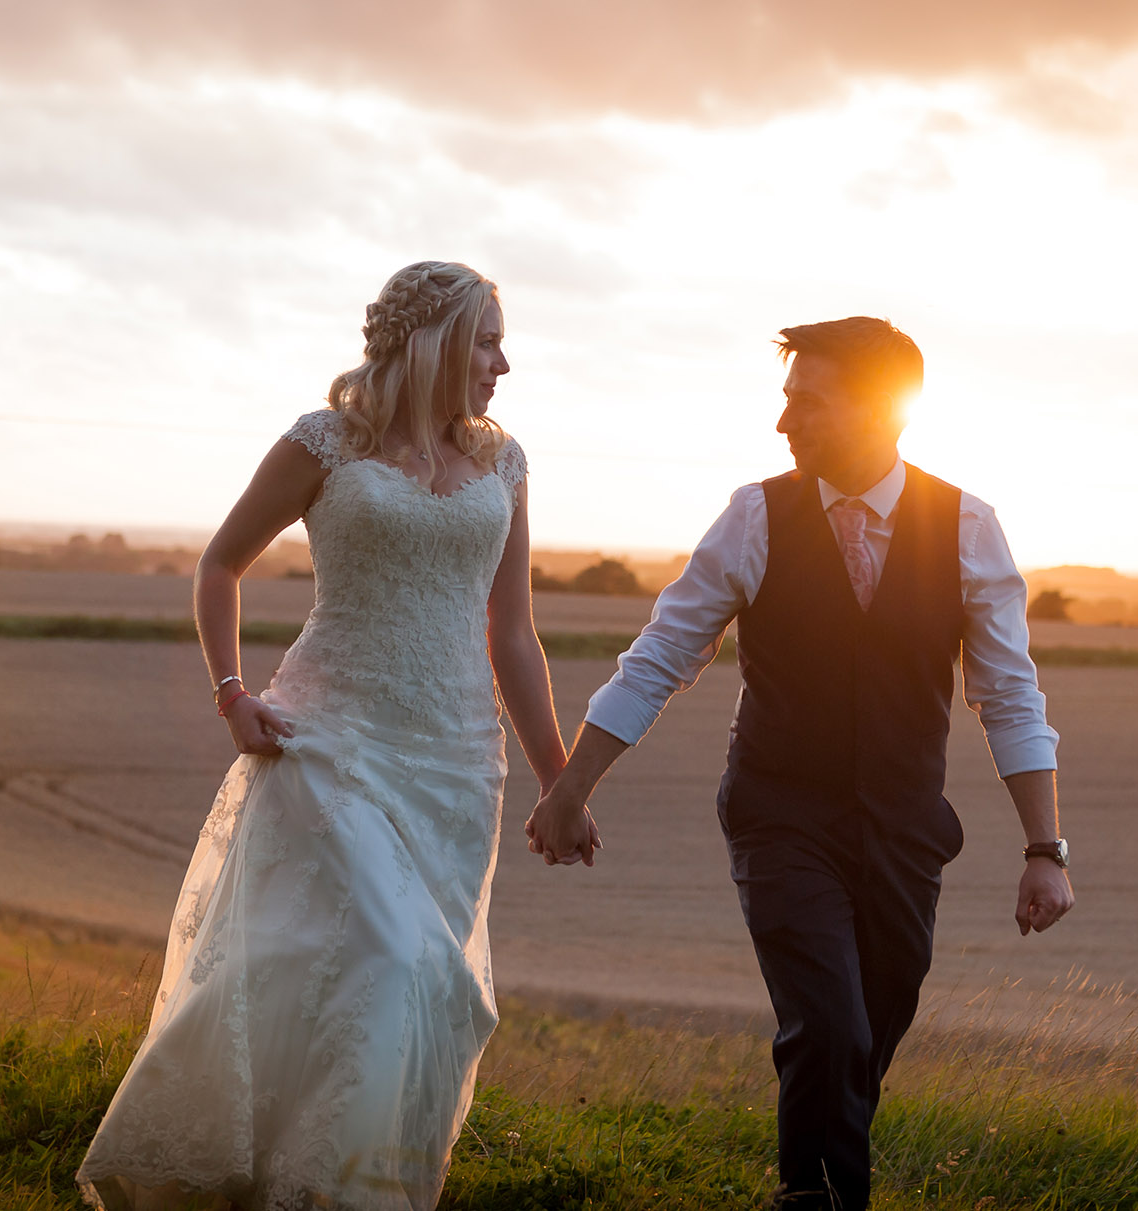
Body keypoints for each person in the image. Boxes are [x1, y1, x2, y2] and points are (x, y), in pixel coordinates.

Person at [525, 317, 1073, 1210]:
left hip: (904, 831)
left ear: (878, 409)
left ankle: (808, 1185)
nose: (784, 422)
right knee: (830, 1022)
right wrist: (569, 788)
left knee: (866, 1039)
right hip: (779, 815)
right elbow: (659, 658)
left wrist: (1044, 850)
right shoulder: (754, 517)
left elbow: (1010, 695)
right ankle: (809, 1196)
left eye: (805, 401)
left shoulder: (968, 527)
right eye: (785, 399)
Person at [78, 261, 571, 1211]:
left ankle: (349, 1178)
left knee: (417, 985)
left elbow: (512, 634)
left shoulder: (505, 463)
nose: (503, 364)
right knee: (390, 955)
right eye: (488, 340)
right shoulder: (325, 443)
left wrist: (559, 778)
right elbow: (220, 562)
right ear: (432, 341)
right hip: (327, 735)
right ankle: (312, 1190)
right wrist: (231, 694)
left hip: (458, 758)